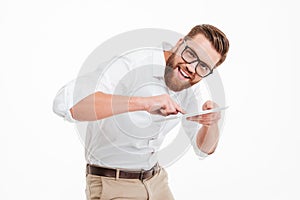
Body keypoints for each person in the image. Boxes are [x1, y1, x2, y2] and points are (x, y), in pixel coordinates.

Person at [53, 24, 230, 200]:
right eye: (190, 54)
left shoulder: (189, 86)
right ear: (179, 44)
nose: (192, 68)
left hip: (157, 182)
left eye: (203, 67)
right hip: (113, 185)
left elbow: (203, 149)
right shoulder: (132, 63)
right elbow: (68, 105)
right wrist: (144, 103)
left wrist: (211, 123)